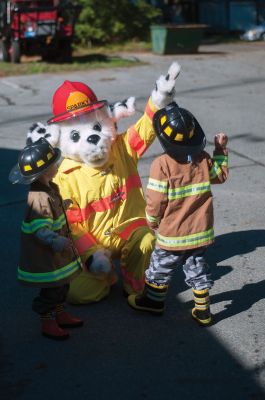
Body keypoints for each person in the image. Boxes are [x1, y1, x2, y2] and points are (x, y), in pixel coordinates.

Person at [128, 102, 228, 326]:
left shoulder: (161, 164)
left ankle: (153, 303)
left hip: (172, 235)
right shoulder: (203, 158)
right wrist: (220, 151)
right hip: (200, 232)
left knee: (160, 267)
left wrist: (152, 221)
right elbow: (220, 177)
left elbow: (155, 201)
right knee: (197, 266)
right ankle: (203, 311)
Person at [9, 138, 84, 340]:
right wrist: (54, 240)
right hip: (48, 255)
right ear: (43, 172)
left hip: (57, 255)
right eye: (53, 164)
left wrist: (64, 204)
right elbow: (40, 228)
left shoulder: (49, 188)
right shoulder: (39, 197)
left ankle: (60, 312)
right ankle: (47, 319)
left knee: (63, 285)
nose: (57, 166)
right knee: (52, 290)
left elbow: (52, 212)